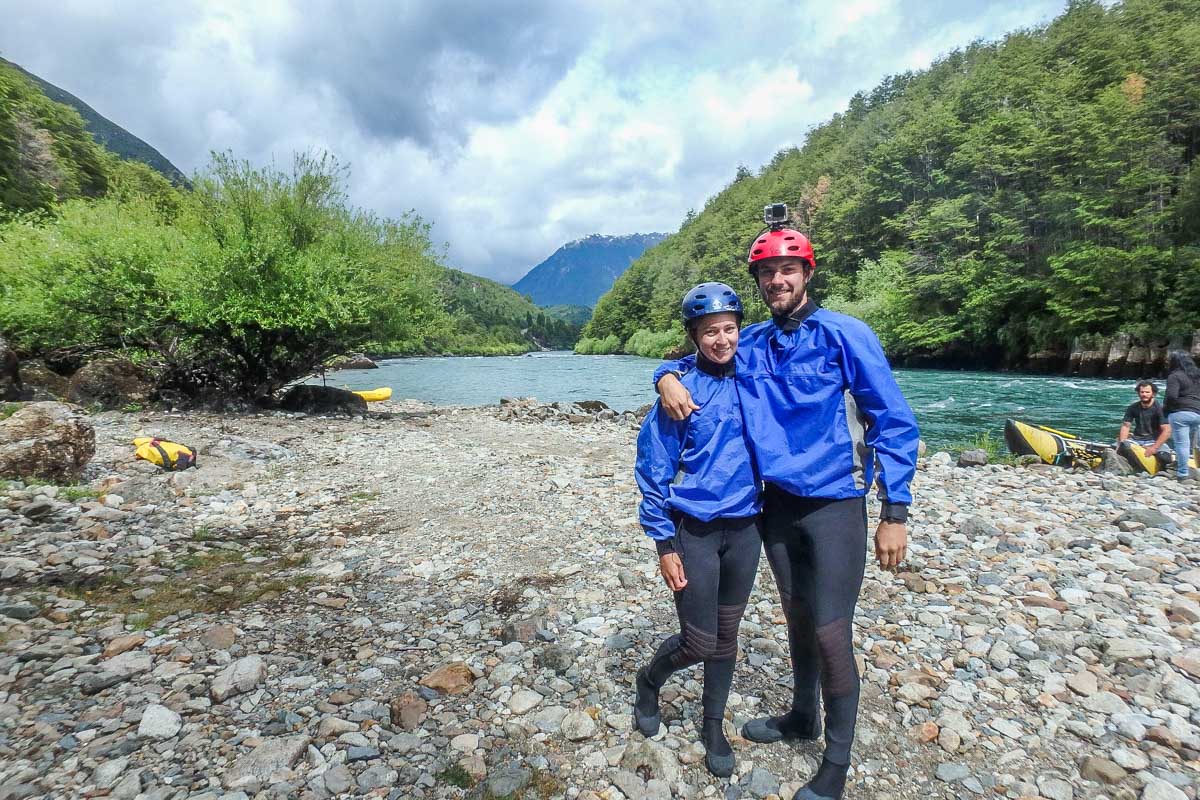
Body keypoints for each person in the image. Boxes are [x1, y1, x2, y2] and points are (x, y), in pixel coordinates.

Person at [653, 211, 919, 800]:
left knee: (830, 632)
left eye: (788, 269)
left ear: (806, 273)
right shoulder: (751, 340)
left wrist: (894, 512)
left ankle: (837, 766)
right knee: (797, 617)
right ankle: (803, 716)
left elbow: (893, 420)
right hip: (775, 507)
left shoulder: (846, 333)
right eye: (768, 272)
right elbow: (699, 358)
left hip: (836, 505)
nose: (778, 280)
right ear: (760, 281)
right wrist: (663, 376)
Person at [633, 282, 761, 779]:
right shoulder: (679, 393)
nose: (722, 339)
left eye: (730, 329)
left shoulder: (755, 379)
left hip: (747, 529)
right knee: (699, 641)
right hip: (696, 531)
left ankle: (713, 726)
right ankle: (649, 680)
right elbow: (653, 470)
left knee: (727, 638)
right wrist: (664, 543)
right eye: (710, 332)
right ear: (693, 336)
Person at [1165, 351, 1200, 481]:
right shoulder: (1198, 376)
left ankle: (1182, 474)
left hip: (1181, 413)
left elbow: (1171, 396)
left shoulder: (1175, 376)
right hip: (1199, 412)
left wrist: (1167, 411)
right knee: (1198, 446)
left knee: (1182, 445)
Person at [1117, 381, 1172, 460]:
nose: (1144, 394)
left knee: (1164, 457)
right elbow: (1126, 426)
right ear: (1138, 393)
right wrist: (1122, 443)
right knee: (1118, 447)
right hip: (1136, 440)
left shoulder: (1160, 409)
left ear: (1153, 394)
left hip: (1154, 441)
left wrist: (1154, 448)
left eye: (1147, 392)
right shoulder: (1133, 407)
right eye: (1142, 392)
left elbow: (1167, 430)